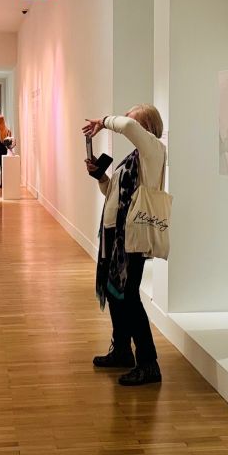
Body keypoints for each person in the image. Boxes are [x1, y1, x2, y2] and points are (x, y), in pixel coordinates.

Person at [82, 104, 166, 386]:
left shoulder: (153, 150)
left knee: (128, 297)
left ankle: (149, 363)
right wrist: (101, 176)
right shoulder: (134, 158)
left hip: (130, 237)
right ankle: (121, 350)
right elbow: (112, 193)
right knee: (115, 293)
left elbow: (128, 127)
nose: (126, 128)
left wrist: (103, 121)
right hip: (115, 237)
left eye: (133, 123)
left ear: (146, 127)